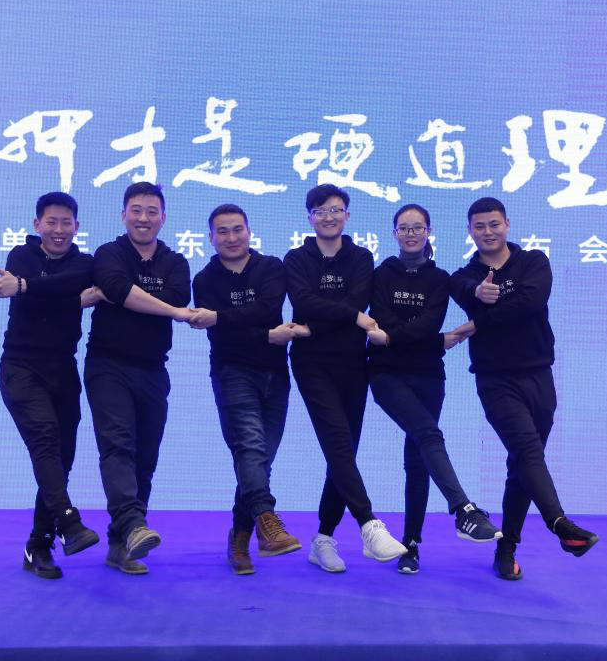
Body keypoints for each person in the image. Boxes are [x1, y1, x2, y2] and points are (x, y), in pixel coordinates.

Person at [449, 196, 599, 581]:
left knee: (522, 464)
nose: (488, 232)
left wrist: (480, 322)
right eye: (479, 226)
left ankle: (506, 548)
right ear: (470, 231)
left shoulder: (533, 261)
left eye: (494, 224)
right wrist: (477, 296)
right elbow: (470, 292)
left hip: (538, 375)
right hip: (495, 378)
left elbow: (530, 303)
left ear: (507, 224)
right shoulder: (463, 278)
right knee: (527, 451)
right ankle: (560, 525)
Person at [366, 203, 502, 574]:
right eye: (404, 228)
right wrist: (427, 338)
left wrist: (396, 337)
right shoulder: (381, 274)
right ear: (394, 233)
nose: (411, 234)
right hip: (386, 374)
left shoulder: (440, 278)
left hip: (428, 374)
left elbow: (424, 325)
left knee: (418, 457)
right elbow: (384, 320)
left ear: (428, 232)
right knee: (428, 434)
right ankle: (464, 509)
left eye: (418, 228)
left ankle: (411, 544)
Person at [285, 183, 408, 573]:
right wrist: (353, 317)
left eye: (335, 209)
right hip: (311, 362)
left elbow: (354, 301)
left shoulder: (361, 257)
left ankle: (323, 538)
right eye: (320, 211)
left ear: (347, 215)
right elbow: (304, 302)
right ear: (310, 218)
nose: (329, 216)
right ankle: (369, 525)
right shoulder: (296, 258)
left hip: (354, 363)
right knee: (337, 441)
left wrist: (327, 319)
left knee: (343, 452)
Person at [84, 181, 193, 574]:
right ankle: (133, 525)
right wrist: (169, 310)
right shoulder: (108, 253)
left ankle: (122, 545)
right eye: (136, 210)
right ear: (123, 214)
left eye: (151, 211)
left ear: (163, 217)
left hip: (153, 369)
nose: (143, 218)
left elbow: (178, 297)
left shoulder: (175, 261)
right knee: (118, 445)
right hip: (107, 365)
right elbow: (119, 289)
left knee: (145, 457)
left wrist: (137, 298)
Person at [0, 191, 102, 580]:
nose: (59, 230)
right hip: (21, 367)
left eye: (66, 223)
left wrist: (25, 288)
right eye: (51, 222)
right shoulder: (20, 256)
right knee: (44, 439)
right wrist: (71, 299)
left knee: (61, 457)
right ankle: (69, 522)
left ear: (76, 226)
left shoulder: (85, 263)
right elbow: (59, 294)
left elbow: (67, 284)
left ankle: (39, 543)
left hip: (63, 370)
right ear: (37, 224)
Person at [189, 204, 302, 575]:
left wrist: (222, 317)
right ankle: (268, 524)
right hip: (231, 371)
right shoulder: (205, 280)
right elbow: (223, 337)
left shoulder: (271, 268)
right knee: (250, 448)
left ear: (249, 232)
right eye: (222, 231)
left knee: (259, 458)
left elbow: (266, 309)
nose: (231, 237)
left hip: (275, 374)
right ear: (211, 238)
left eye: (237, 229)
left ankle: (240, 536)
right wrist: (264, 335)